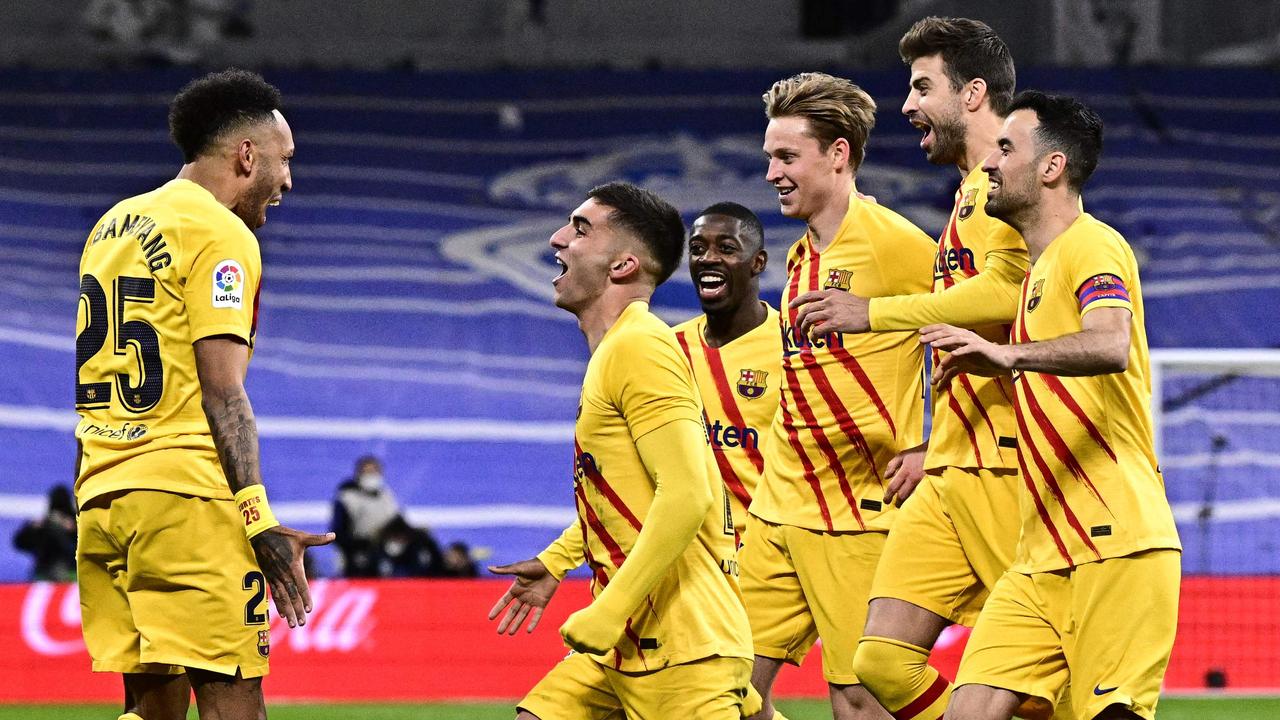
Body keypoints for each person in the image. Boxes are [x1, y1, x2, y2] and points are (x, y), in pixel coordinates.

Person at [73, 68, 333, 720]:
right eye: (285, 160)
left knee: (153, 710)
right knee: (233, 704)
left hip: (104, 496)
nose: (289, 180)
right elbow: (223, 392)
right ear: (247, 155)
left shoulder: (113, 225)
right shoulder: (221, 234)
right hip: (186, 499)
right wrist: (257, 519)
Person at [789, 18, 1029, 720]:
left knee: (1050, 674)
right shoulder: (967, 195)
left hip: (1007, 468)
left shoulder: (1009, 184)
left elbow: (1008, 297)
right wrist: (932, 442)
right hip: (954, 467)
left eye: (923, 87)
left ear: (974, 94)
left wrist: (877, 311)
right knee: (880, 662)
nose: (906, 106)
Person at [922, 92, 1181, 720]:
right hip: (1039, 556)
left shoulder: (1093, 246)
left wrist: (1010, 357)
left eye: (1007, 149)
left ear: (1051, 167)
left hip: (1115, 543)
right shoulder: (1034, 273)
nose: (989, 164)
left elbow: (1110, 343)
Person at [487, 181, 754, 718]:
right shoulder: (619, 351)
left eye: (581, 229)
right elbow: (633, 488)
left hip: (679, 645)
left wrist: (607, 610)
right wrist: (560, 560)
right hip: (627, 643)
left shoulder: (641, 346)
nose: (558, 238)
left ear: (623, 266)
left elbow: (687, 493)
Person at [744, 72, 935, 720]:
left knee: (860, 698)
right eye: (769, 156)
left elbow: (984, 328)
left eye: (786, 156)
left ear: (838, 155)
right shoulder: (799, 257)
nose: (771, 172)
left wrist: (933, 444)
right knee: (713, 685)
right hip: (777, 507)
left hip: (859, 515)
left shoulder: (897, 245)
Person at [672, 202, 780, 540]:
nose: (708, 258)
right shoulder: (668, 349)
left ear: (757, 262)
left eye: (727, 248)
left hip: (768, 550)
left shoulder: (794, 347)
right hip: (692, 554)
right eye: (698, 249)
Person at [332, 455, 405, 577]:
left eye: (375, 472)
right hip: (356, 558)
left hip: (385, 555)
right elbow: (339, 533)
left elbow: (397, 521)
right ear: (358, 474)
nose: (372, 476)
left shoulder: (386, 496)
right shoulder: (347, 498)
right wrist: (363, 545)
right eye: (368, 472)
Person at [13, 484, 78, 581]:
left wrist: (74, 529)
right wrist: (33, 529)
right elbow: (20, 543)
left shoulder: (75, 524)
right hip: (44, 573)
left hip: (70, 573)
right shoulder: (44, 524)